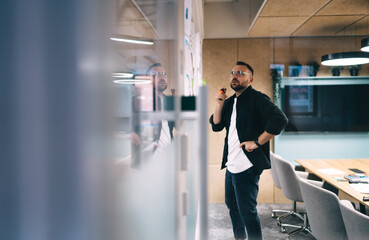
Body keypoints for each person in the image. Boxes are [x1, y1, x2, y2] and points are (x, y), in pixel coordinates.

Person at [209, 61, 288, 240]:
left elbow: (280, 119)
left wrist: (257, 142)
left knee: (247, 211)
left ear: (250, 79)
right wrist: (220, 103)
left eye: (240, 73)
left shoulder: (258, 99)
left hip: (247, 165)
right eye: (232, 72)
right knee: (232, 206)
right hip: (231, 164)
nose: (235, 75)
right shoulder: (230, 102)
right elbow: (216, 125)